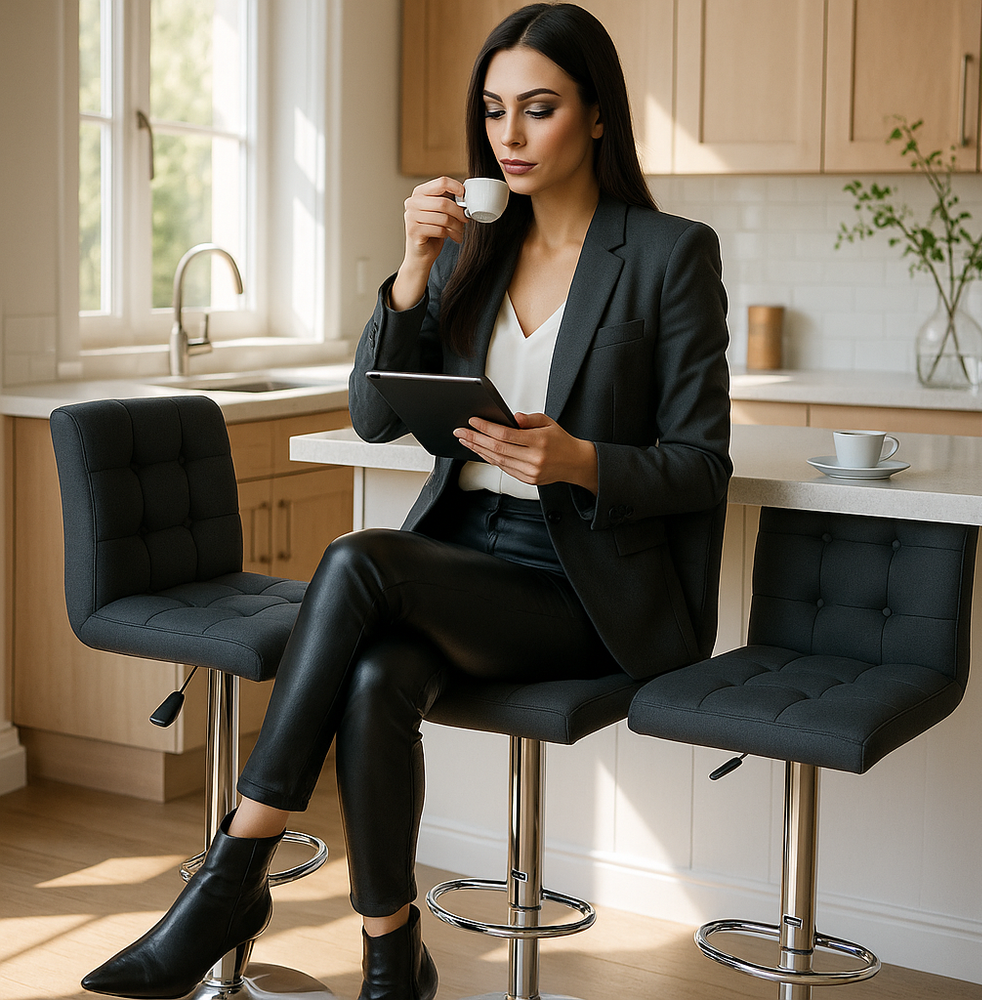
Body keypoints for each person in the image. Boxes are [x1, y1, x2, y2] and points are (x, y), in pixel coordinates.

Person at [80, 5, 731, 1000]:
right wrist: (413, 275)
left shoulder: (668, 254)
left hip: (582, 585)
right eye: (494, 110)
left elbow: (698, 465)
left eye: (539, 109)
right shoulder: (476, 250)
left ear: (597, 116)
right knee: (379, 678)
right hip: (463, 557)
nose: (508, 136)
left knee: (356, 557)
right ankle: (393, 955)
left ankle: (230, 875)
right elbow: (375, 418)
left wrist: (580, 460)